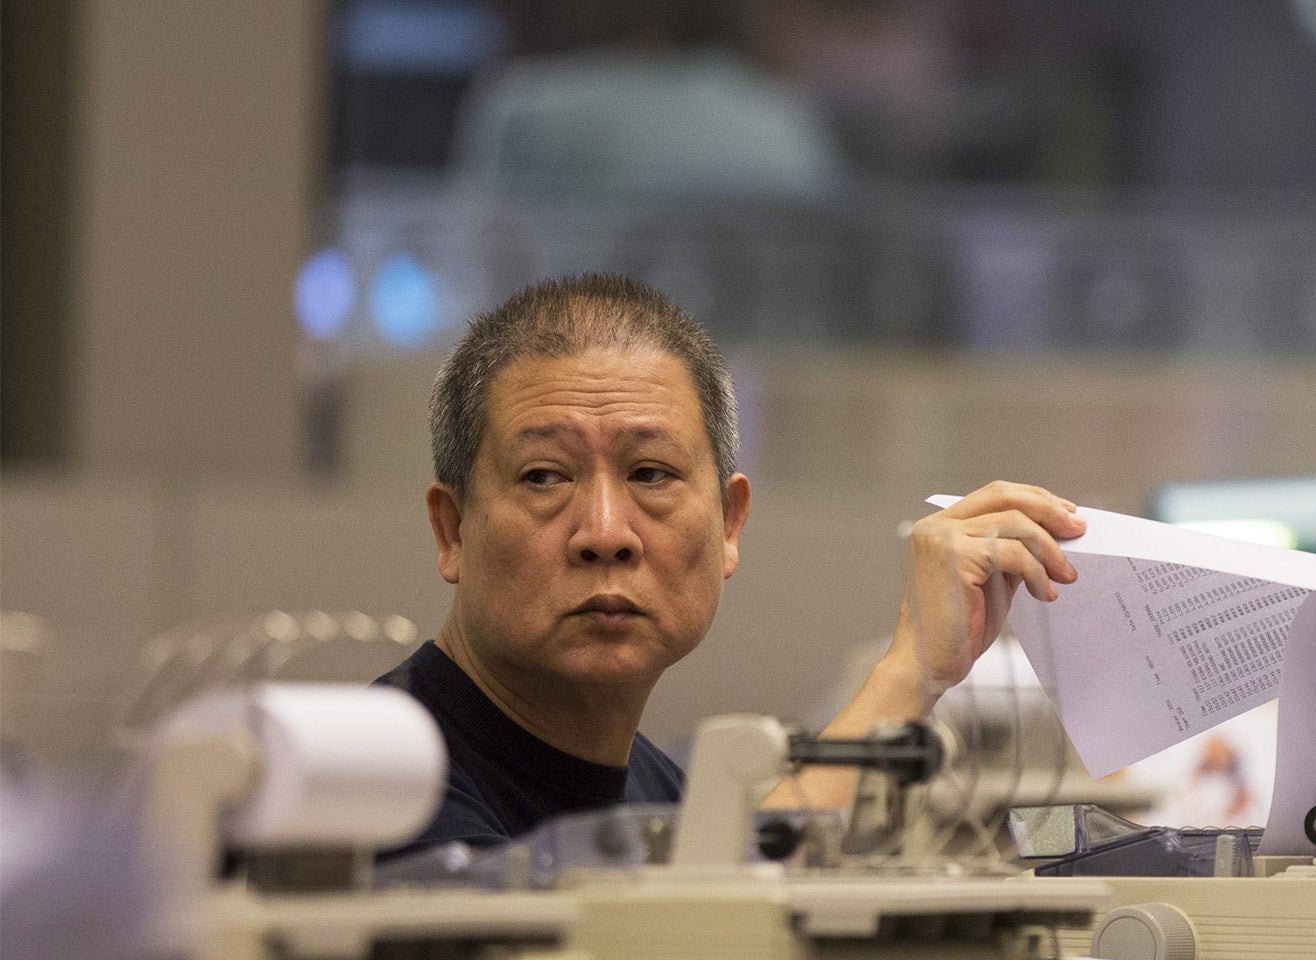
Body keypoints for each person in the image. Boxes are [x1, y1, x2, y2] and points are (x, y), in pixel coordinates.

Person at [378, 272, 1083, 854]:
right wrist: (907, 674)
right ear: (452, 530)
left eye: (651, 474)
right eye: (543, 477)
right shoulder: (369, 784)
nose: (604, 532)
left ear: (729, 524)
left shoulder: (657, 790)